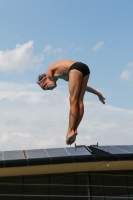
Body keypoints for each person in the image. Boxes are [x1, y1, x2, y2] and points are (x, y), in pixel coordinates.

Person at [37, 59, 105, 145]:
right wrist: (98, 94)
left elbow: (49, 75)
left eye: (46, 87)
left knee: (73, 99)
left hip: (75, 67)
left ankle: (70, 130)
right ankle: (74, 130)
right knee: (79, 100)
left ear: (44, 80)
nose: (50, 89)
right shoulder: (64, 76)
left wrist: (46, 78)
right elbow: (85, 87)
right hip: (84, 69)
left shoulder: (48, 73)